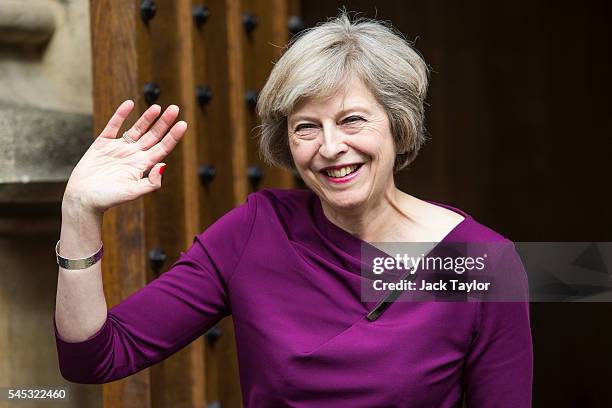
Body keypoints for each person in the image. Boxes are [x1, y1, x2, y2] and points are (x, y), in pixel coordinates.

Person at [54, 12, 533, 407]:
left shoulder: (485, 263)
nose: (330, 147)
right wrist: (79, 213)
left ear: (398, 123)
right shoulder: (255, 231)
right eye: (306, 127)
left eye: (352, 120)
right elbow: (93, 360)